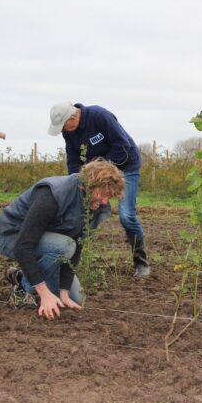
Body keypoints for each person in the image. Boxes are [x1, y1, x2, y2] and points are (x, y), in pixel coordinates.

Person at [0, 158, 125, 319]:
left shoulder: (94, 205)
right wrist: (44, 294)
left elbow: (78, 246)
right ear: (88, 184)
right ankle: (22, 291)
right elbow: (23, 245)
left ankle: (23, 276)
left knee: (76, 297)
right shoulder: (53, 194)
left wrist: (63, 292)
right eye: (102, 194)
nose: (105, 201)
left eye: (109, 196)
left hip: (46, 243)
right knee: (64, 246)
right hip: (12, 237)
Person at [47, 101, 151, 278]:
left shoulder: (99, 117)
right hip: (96, 174)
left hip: (126, 166)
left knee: (126, 215)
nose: (64, 130)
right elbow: (73, 159)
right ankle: (70, 263)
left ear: (73, 117)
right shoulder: (69, 132)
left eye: (64, 125)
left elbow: (122, 147)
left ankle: (141, 263)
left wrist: (98, 170)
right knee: (83, 212)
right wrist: (77, 181)